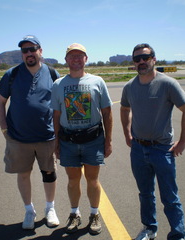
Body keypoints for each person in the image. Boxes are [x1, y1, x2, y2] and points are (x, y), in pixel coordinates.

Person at [120, 43, 185, 240]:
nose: (142, 62)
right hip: (138, 149)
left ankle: (178, 235)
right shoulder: (129, 87)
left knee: (170, 197)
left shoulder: (167, 84)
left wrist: (183, 142)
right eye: (137, 59)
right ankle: (149, 228)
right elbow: (124, 109)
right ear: (134, 63)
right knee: (145, 194)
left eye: (146, 57)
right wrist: (127, 134)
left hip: (162, 149)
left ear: (154, 59)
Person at [0, 35, 60, 230]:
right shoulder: (12, 74)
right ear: (22, 54)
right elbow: (0, 103)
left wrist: (59, 132)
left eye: (32, 49)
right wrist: (4, 129)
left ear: (40, 51)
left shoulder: (52, 73)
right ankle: (29, 210)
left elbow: (58, 105)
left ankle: (50, 208)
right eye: (25, 50)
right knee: (23, 174)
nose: (29, 53)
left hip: (46, 137)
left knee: (49, 173)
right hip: (18, 138)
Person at [51, 43, 113, 235]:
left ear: (86, 59)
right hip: (68, 141)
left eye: (80, 56)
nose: (76, 59)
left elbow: (107, 112)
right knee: (72, 180)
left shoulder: (97, 82)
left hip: (93, 139)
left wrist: (108, 140)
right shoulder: (58, 85)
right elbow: (56, 116)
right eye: (72, 56)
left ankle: (94, 214)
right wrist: (56, 142)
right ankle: (74, 213)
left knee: (92, 180)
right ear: (66, 60)